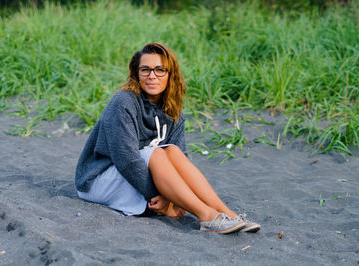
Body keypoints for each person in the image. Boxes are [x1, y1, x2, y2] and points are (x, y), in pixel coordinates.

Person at [75, 42, 260, 234]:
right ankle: (207, 216)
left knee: (172, 150)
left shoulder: (173, 107)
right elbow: (127, 161)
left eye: (160, 70)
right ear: (136, 73)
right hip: (100, 179)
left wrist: (172, 198)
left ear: (170, 74)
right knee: (156, 153)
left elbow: (180, 159)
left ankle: (226, 213)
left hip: (140, 175)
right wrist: (161, 196)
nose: (152, 76)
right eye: (145, 70)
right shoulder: (124, 102)